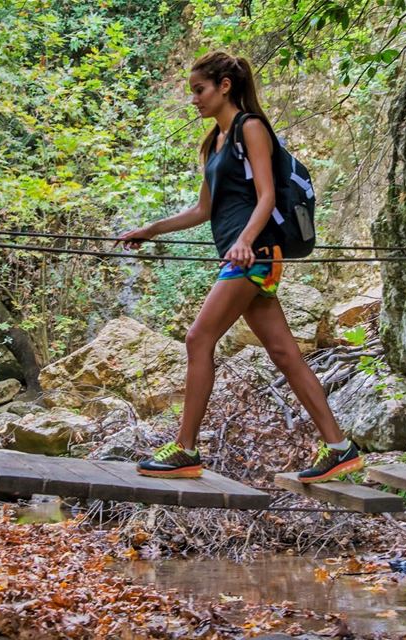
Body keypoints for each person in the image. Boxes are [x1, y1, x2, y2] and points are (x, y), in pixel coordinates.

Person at [116, 51, 364, 484]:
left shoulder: (250, 128)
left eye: (200, 90)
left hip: (256, 255)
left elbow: (267, 195)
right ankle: (340, 448)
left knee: (198, 338)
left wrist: (246, 241)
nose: (194, 99)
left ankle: (186, 449)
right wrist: (151, 229)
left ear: (224, 86)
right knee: (285, 353)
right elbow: (203, 209)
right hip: (243, 255)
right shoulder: (214, 142)